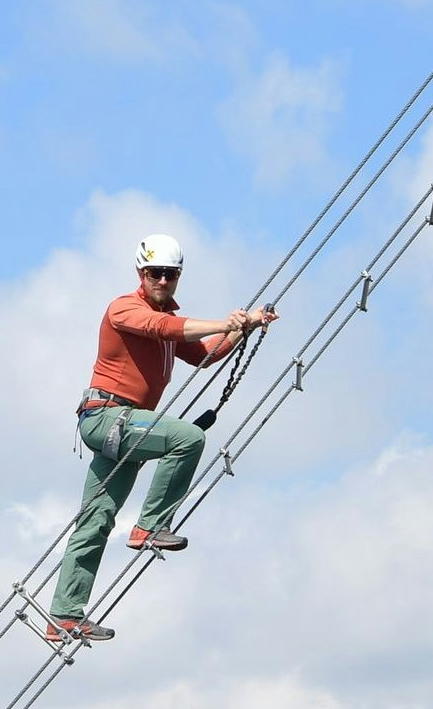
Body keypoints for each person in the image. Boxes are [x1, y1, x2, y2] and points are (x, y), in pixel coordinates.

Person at [44, 235, 273, 644]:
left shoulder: (170, 325)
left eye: (170, 275)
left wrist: (246, 326)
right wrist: (226, 320)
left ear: (178, 276)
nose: (163, 281)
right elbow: (161, 326)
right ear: (141, 273)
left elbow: (208, 353)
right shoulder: (124, 308)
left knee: (95, 522)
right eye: (155, 274)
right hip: (107, 418)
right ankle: (150, 526)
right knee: (187, 439)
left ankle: (64, 613)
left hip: (127, 426)